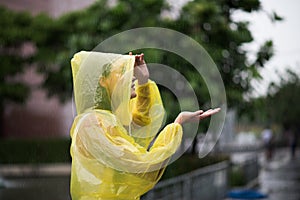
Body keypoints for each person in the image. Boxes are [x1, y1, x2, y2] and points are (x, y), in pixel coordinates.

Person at [70, 51, 220, 200]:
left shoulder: (106, 119)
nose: (132, 76)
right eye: (123, 71)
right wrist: (177, 124)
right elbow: (143, 168)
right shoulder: (93, 124)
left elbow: (141, 122)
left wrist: (143, 81)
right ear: (103, 81)